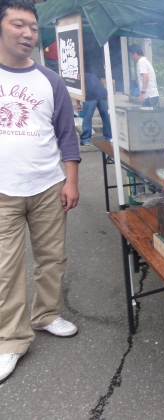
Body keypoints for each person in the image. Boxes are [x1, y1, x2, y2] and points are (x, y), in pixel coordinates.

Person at [0, 0, 81, 384]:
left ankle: (46, 315)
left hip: (47, 184)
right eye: (18, 25)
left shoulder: (50, 80)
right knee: (5, 269)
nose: (28, 33)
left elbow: (67, 134)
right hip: (3, 190)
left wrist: (71, 180)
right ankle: (11, 340)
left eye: (32, 26)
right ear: (2, 27)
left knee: (52, 258)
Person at [76, 72, 112, 145]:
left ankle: (85, 140)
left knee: (87, 118)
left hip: (90, 95)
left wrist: (78, 104)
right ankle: (109, 138)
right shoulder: (92, 75)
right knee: (105, 117)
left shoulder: (77, 76)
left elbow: (77, 90)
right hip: (103, 94)